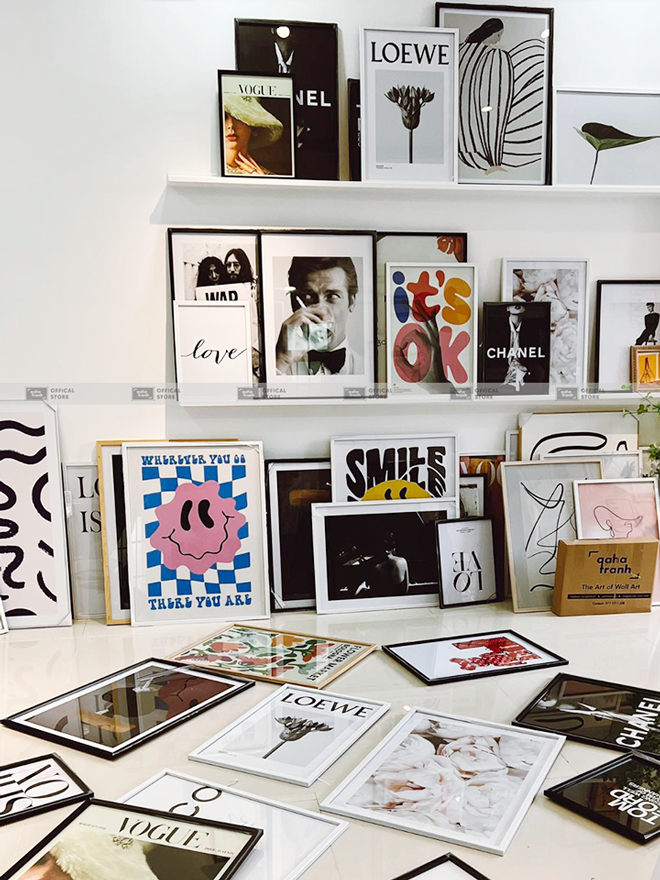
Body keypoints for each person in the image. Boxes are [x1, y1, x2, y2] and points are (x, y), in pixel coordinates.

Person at [275, 256, 362, 376]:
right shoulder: (278, 366)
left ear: (351, 302)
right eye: (308, 297)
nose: (320, 311)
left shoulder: (370, 367)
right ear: (294, 304)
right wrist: (281, 363)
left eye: (332, 296)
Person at [223, 94, 283, 176]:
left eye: (239, 118)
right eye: (224, 118)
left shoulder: (268, 176)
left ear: (253, 125)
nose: (231, 125)